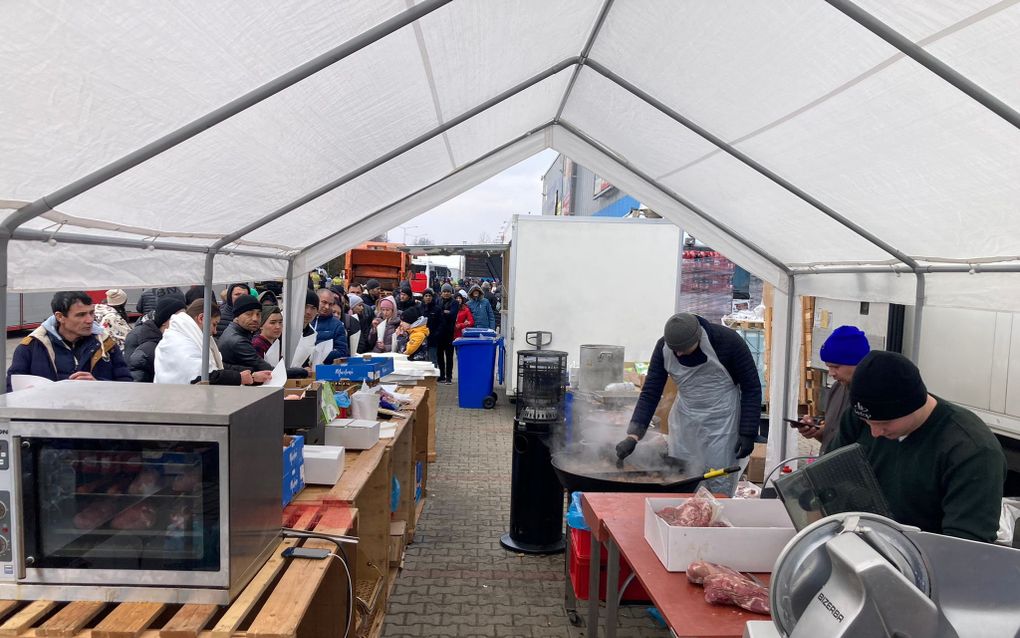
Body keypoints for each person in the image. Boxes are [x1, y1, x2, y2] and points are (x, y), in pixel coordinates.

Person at [829, 351, 1005, 543]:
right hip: (859, 547)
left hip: (927, 562)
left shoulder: (972, 451)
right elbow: (827, 480)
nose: (875, 433)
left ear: (914, 405)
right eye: (867, 421)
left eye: (884, 422)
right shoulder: (859, 420)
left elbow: (965, 547)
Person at [616, 313, 761, 495]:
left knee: (718, 480)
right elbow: (650, 393)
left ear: (698, 337)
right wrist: (633, 436)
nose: (678, 354)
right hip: (685, 420)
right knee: (683, 477)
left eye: (683, 349)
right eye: (674, 349)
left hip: (723, 421)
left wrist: (748, 432)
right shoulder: (663, 347)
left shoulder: (728, 342)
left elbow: (751, 388)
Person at [7, 291, 132, 390]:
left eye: (91, 313)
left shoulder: (106, 344)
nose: (90, 320)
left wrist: (98, 385)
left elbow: (126, 384)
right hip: (48, 420)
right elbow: (11, 387)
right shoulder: (31, 346)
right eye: (81, 315)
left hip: (94, 418)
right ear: (60, 317)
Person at [155, 300, 271, 386]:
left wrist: (252, 376)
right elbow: (203, 376)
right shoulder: (179, 341)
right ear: (201, 318)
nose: (215, 331)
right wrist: (240, 377)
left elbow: (214, 369)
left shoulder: (182, 337)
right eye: (214, 324)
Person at [797, 326, 870, 454]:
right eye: (828, 366)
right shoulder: (837, 388)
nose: (831, 373)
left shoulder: (871, 397)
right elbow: (833, 436)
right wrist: (816, 431)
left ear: (858, 362)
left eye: (836, 367)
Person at [125, 294, 186, 382]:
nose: (184, 321)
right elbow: (137, 388)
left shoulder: (177, 344)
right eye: (179, 317)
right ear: (165, 321)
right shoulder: (146, 352)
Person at [218, 294, 273, 373]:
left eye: (258, 314)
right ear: (237, 316)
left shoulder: (234, 331)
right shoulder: (238, 341)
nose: (255, 318)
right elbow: (267, 369)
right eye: (249, 314)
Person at [310, 289, 349, 363]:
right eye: (324, 302)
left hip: (325, 369)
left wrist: (316, 354)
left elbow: (342, 352)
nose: (327, 307)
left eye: (330, 304)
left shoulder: (337, 325)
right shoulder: (306, 320)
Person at [434, 284, 459, 384]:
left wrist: (442, 312)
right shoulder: (438, 301)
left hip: (449, 333)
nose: (446, 293)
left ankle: (449, 377)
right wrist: (445, 312)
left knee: (449, 356)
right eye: (444, 291)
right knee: (439, 356)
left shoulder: (455, 302)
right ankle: (441, 375)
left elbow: (452, 315)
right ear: (441, 292)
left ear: (451, 292)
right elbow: (436, 313)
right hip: (439, 333)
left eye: (448, 291)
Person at [421, 288, 440, 365]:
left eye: (429, 296)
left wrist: (436, 334)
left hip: (433, 338)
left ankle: (433, 377)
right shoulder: (419, 308)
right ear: (423, 297)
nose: (428, 297)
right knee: (422, 360)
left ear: (432, 297)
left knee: (433, 360)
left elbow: (441, 323)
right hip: (421, 338)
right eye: (426, 296)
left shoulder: (437, 309)